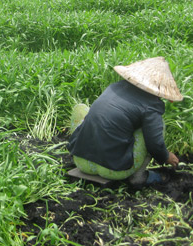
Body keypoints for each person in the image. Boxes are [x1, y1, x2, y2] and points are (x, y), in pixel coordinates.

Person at [67, 57, 183, 187]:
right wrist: (166, 156)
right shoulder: (152, 105)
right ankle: (138, 177)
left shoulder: (115, 87)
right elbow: (155, 143)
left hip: (82, 161)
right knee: (156, 127)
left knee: (84, 110)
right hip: (113, 170)